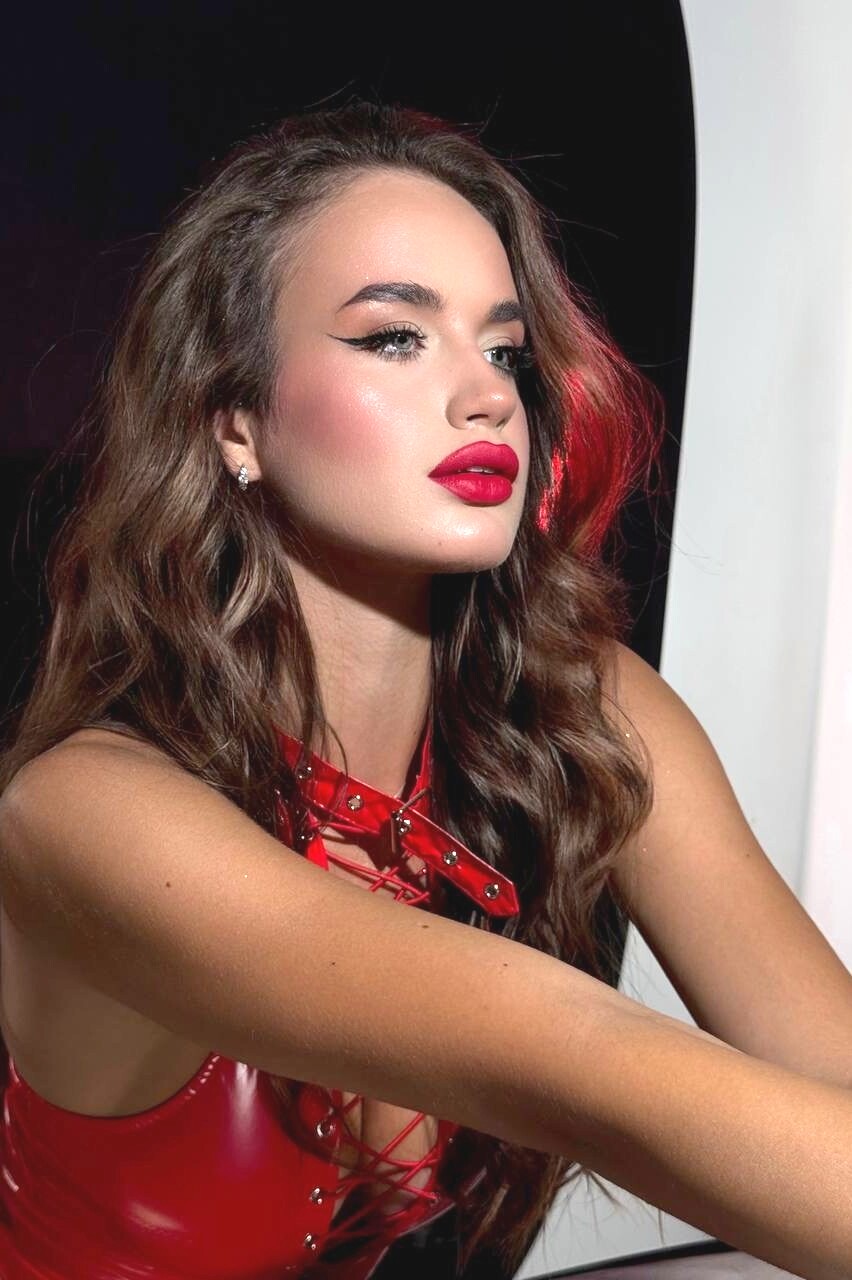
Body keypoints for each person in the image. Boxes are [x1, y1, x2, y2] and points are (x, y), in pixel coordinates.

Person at [0, 98, 849, 1280]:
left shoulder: (584, 706)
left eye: (504, 351)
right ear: (234, 421)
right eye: (395, 337)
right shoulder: (83, 815)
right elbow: (585, 1064)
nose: (487, 395)